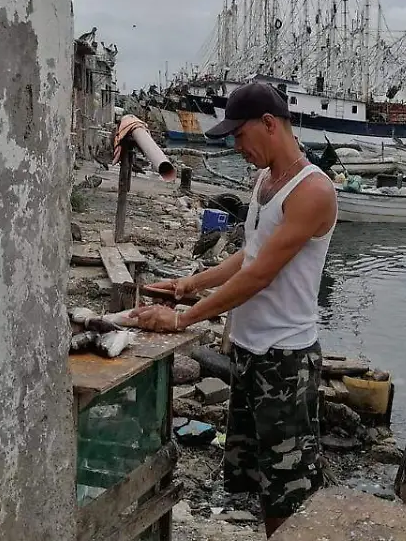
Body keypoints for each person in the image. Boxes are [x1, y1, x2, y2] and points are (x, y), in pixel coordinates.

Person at [129, 81, 338, 536]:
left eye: (239, 136)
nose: (237, 146)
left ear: (268, 124)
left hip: (285, 359)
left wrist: (183, 318)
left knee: (288, 487)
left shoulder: (313, 191)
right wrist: (190, 284)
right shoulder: (265, 181)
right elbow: (249, 255)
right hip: (248, 350)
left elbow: (261, 276)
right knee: (259, 478)